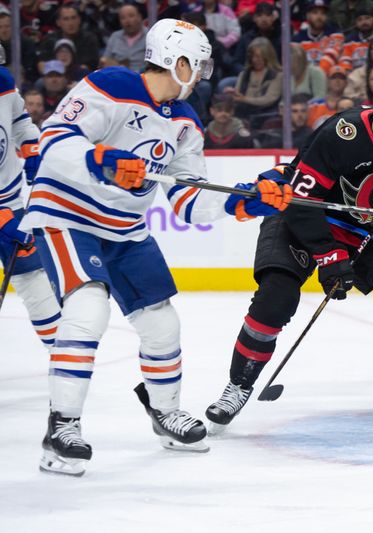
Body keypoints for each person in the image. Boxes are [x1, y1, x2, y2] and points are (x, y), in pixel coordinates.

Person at [20, 18, 292, 477]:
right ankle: (61, 427)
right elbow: (53, 140)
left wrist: (246, 202)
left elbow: (188, 201)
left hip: (125, 229)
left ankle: (165, 413)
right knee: (88, 311)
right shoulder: (113, 84)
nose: (203, 74)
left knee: (162, 324)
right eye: (198, 64)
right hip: (68, 216)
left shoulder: (185, 122)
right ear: (175, 59)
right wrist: (99, 159)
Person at [204, 80, 373, 431]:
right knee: (277, 297)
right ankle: (237, 386)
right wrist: (331, 257)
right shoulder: (342, 134)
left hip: (352, 225)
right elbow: (303, 202)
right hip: (297, 218)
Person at [0, 49, 61, 351]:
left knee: (33, 278)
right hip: (4, 214)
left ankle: (62, 359)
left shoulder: (2, 79)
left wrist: (31, 149)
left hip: (9, 201)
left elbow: (21, 122)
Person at [100, 3, 148, 73]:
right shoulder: (115, 36)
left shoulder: (149, 36)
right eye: (123, 17)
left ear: (139, 17)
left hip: (142, 78)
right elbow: (105, 60)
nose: (127, 21)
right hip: (117, 77)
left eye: (131, 16)